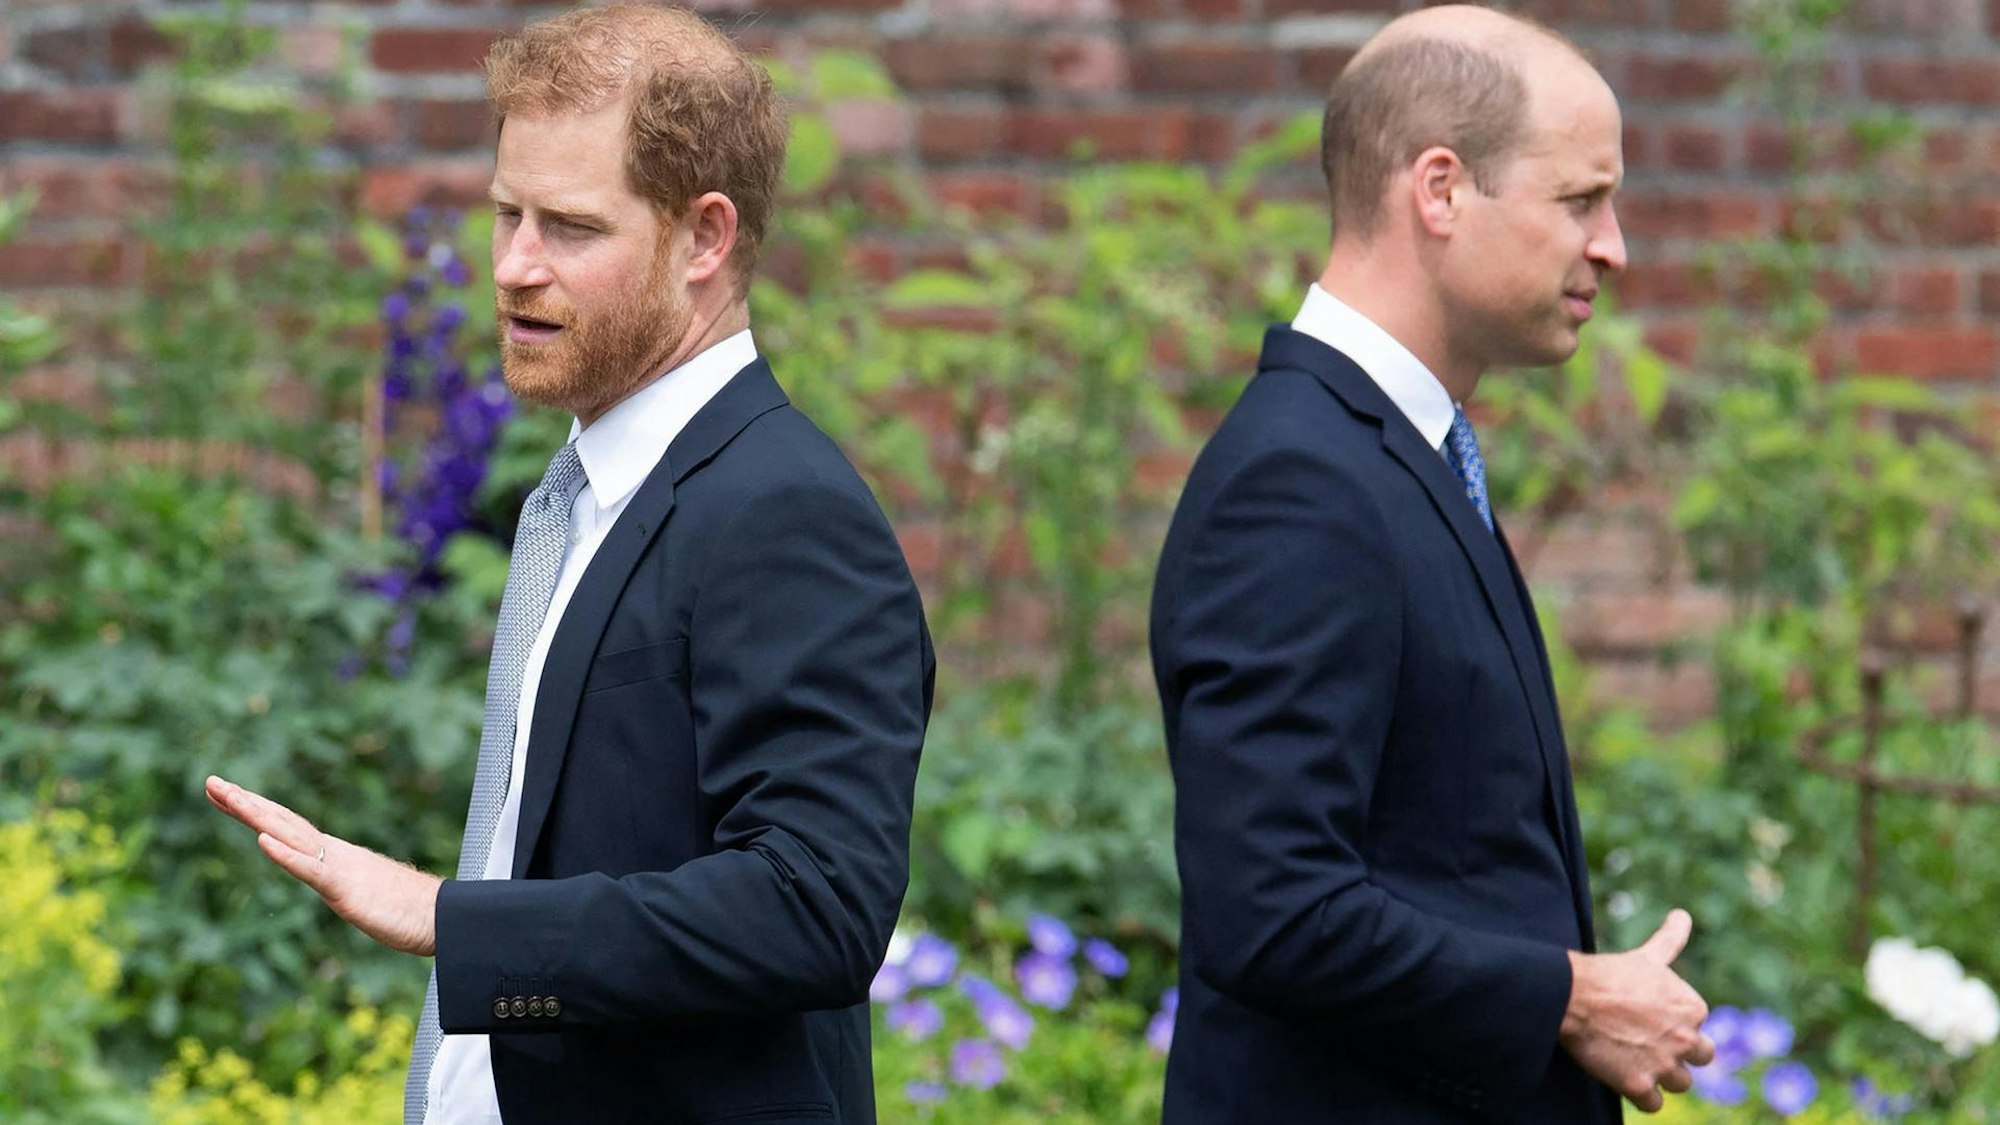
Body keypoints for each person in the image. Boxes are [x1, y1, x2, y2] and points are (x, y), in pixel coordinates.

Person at [207, 6, 933, 1123]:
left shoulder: (781, 510)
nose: (512, 267)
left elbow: (814, 907)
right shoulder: (590, 487)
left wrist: (454, 922)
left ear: (705, 239)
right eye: (506, 213)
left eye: (571, 229)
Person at [1149, 6, 1713, 1121]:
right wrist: (1566, 998)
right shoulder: (1300, 485)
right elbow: (1272, 908)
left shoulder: (1392, 455)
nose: (1612, 245)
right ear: (1439, 190)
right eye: (1577, 200)